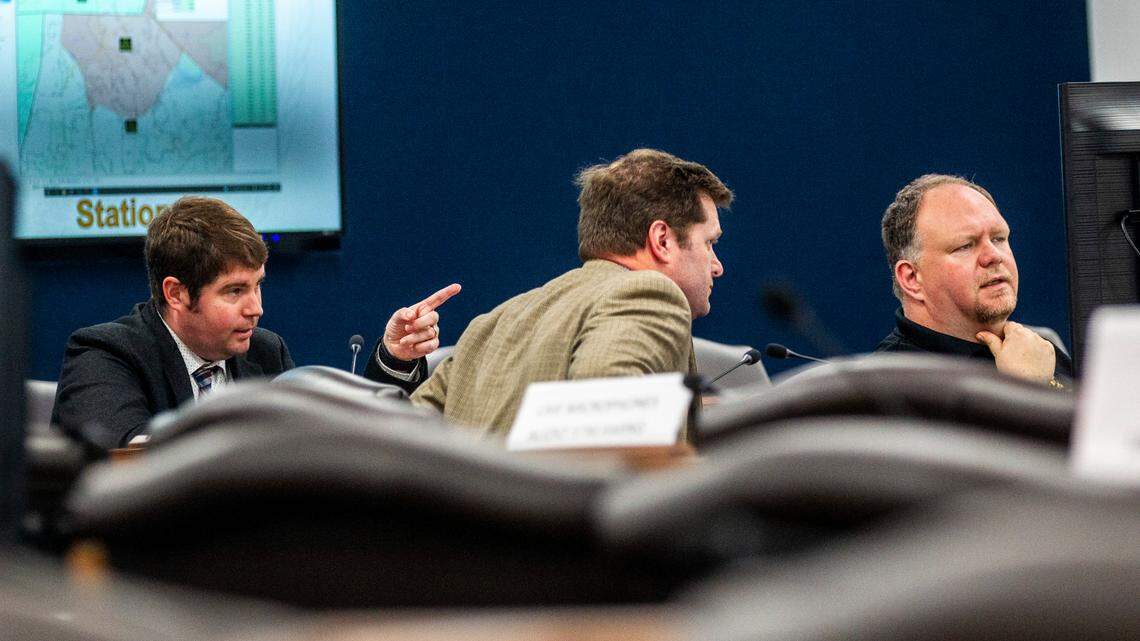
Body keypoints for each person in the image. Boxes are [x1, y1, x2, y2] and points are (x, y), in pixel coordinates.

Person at [52, 196, 457, 450]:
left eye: (258, 285)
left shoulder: (265, 351)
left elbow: (332, 442)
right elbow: (125, 455)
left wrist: (395, 357)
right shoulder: (106, 353)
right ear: (176, 293)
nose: (256, 308)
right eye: (234, 291)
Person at [397, 148, 732, 436]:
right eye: (709, 243)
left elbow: (409, 438)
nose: (717, 266)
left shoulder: (495, 322)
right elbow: (608, 428)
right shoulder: (649, 293)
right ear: (662, 241)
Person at [876, 174, 1073, 386]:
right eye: (965, 246)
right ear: (912, 278)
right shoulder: (885, 389)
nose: (994, 256)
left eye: (998, 238)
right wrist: (1029, 389)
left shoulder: (1040, 350)